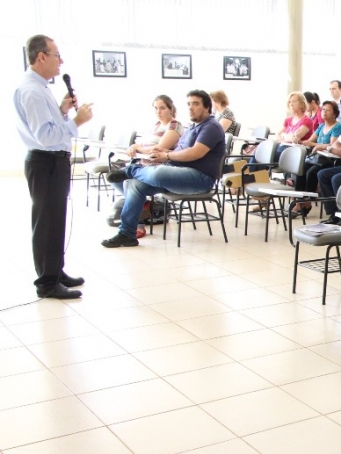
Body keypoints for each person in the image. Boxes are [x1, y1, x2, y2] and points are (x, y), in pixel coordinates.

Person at [15, 34, 93, 299]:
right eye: (57, 55)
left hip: (51, 162)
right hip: (45, 161)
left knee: (55, 219)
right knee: (47, 222)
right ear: (41, 57)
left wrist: (61, 110)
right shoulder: (31, 90)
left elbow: (48, 125)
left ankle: (56, 271)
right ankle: (47, 283)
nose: (62, 61)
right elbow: (45, 136)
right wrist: (76, 122)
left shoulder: (40, 87)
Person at [102, 90, 225, 248]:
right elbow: (179, 152)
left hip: (200, 178)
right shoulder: (192, 127)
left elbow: (195, 153)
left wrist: (166, 157)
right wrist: (165, 153)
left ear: (207, 107)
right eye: (188, 104)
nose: (190, 108)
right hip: (177, 172)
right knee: (135, 185)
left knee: (158, 173)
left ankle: (131, 170)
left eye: (195, 104)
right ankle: (127, 233)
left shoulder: (211, 127)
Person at [116, 95, 185, 237]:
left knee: (131, 183)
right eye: (156, 108)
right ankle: (143, 205)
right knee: (115, 178)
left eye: (162, 108)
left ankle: (137, 226)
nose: (158, 111)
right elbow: (142, 144)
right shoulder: (156, 126)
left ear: (171, 109)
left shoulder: (174, 126)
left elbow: (158, 149)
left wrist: (138, 148)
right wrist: (135, 146)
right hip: (142, 164)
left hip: (160, 167)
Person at [299, 100, 341, 197]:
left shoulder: (338, 126)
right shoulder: (321, 126)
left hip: (331, 160)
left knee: (312, 172)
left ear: (334, 114)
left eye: (328, 110)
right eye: (323, 109)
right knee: (300, 169)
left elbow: (333, 145)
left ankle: (307, 200)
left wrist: (318, 145)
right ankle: (299, 199)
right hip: (318, 157)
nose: (324, 111)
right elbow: (309, 141)